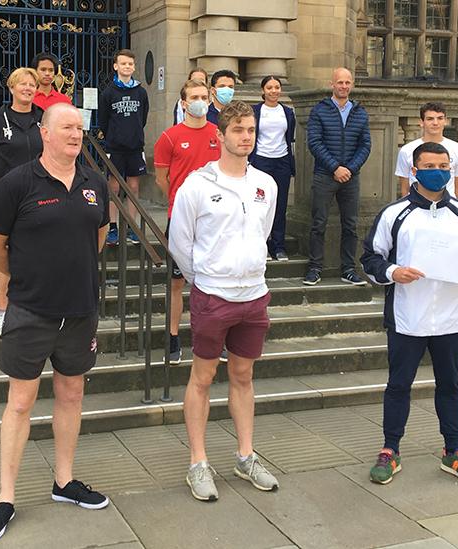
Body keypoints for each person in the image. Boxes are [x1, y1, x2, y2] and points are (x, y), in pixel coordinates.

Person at [0, 103, 111, 542]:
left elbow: (98, 238)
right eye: (67, 127)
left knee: (72, 392)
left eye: (80, 127)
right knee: (20, 401)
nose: (76, 134)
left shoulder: (95, 182)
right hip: (31, 311)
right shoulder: (15, 184)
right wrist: (26, 276)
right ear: (45, 133)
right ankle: (5, 497)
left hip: (80, 310)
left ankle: (64, 481)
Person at [361, 141, 458, 487]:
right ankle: (390, 450)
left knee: (451, 385)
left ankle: (454, 451)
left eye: (444, 165)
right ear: (414, 171)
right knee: (398, 385)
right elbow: (371, 259)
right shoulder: (395, 215)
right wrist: (393, 272)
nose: (438, 171)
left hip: (451, 319)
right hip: (408, 316)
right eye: (430, 165)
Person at [168, 100, 280, 502]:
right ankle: (198, 462)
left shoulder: (267, 183)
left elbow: (262, 234)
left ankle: (245, 455)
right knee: (202, 377)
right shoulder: (197, 185)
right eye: (237, 130)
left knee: (243, 376)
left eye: (250, 130)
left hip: (253, 295)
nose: (245, 137)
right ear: (220, 136)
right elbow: (180, 242)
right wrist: (205, 279)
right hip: (213, 295)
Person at [0, 67, 45, 338]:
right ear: (11, 87)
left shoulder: (43, 119)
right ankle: (4, 312)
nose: (27, 88)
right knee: (4, 257)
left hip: (40, 197)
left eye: (32, 84)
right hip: (6, 200)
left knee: (39, 255)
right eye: (22, 84)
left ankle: (35, 310)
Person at [154, 79, 221, 363]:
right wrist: (181, 203)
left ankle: (211, 338)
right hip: (180, 221)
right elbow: (161, 179)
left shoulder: (219, 134)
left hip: (214, 219)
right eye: (193, 96)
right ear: (183, 103)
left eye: (203, 96)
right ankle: (172, 337)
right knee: (176, 283)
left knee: (213, 282)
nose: (199, 101)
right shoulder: (169, 137)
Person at [304, 67, 371, 287]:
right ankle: (315, 268)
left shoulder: (360, 112)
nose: (344, 86)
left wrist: (349, 169)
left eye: (347, 82)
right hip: (325, 175)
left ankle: (349, 269)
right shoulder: (319, 111)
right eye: (340, 82)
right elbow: (314, 142)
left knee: (350, 225)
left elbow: (365, 145)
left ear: (352, 85)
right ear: (332, 84)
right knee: (318, 223)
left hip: (351, 177)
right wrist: (335, 167)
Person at [98, 48, 149, 246]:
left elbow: (143, 118)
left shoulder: (141, 92)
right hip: (115, 148)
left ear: (134, 67)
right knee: (114, 187)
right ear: (116, 66)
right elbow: (103, 120)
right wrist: (115, 136)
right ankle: (112, 227)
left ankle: (131, 227)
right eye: (123, 63)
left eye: (130, 64)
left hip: (135, 147)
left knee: (133, 187)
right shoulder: (109, 92)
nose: (127, 67)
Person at [249, 75, 296, 262]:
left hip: (282, 160)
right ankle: (261, 246)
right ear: (263, 90)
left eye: (277, 87)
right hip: (261, 160)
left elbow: (289, 137)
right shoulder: (255, 111)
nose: (274, 91)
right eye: (270, 87)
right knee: (259, 203)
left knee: (280, 204)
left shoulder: (287, 112)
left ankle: (278, 246)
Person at [395, 102, 458, 198]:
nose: (435, 123)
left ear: (445, 121)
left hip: (446, 206)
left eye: (440, 118)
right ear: (421, 122)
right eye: (430, 119)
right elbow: (404, 187)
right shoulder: (406, 150)